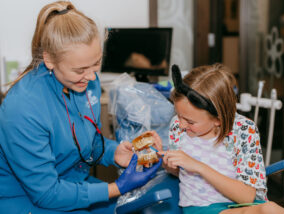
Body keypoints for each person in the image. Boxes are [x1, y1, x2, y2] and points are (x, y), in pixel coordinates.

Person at [0, 1, 162, 213]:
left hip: (72, 182)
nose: (92, 76)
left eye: (96, 63)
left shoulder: (86, 82)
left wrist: (114, 152)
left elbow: (87, 140)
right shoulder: (22, 108)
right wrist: (117, 187)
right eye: (80, 70)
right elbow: (47, 194)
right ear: (49, 59)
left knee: (137, 206)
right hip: (27, 198)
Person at [158, 64, 284, 214]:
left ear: (218, 120)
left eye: (190, 121)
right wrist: (169, 165)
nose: (181, 124)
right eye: (178, 114)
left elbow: (246, 197)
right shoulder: (177, 125)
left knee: (269, 209)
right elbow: (181, 172)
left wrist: (198, 166)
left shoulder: (244, 130)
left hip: (244, 203)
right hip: (203, 207)